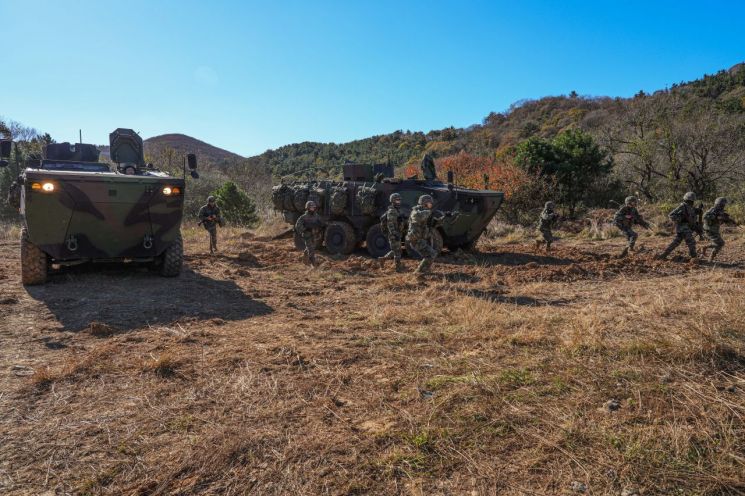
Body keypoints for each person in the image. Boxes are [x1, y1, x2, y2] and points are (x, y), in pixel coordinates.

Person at [407, 194, 456, 274]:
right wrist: (430, 213)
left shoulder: (428, 212)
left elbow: (435, 224)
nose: (431, 204)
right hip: (415, 239)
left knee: (431, 254)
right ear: (424, 202)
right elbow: (417, 217)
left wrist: (444, 216)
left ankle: (423, 270)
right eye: (430, 203)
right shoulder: (416, 211)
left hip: (420, 239)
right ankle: (419, 272)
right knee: (431, 254)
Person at [657, 191, 700, 260]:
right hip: (682, 228)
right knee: (691, 242)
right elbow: (671, 215)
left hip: (685, 228)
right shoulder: (682, 206)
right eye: (690, 201)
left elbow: (692, 218)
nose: (691, 202)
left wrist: (696, 213)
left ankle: (664, 255)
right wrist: (681, 219)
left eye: (692, 201)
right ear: (686, 200)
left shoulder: (691, 208)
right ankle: (694, 257)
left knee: (676, 242)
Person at [379, 193, 406, 272]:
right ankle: (398, 268)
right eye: (397, 200)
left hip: (397, 232)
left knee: (396, 250)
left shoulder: (396, 210)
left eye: (399, 200)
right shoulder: (392, 211)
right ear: (393, 201)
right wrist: (394, 233)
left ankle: (383, 259)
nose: (399, 202)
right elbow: (390, 224)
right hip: (393, 234)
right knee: (397, 252)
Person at [295, 200, 326, 267]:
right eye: (311, 207)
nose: (313, 208)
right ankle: (313, 265)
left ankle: (304, 258)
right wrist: (305, 229)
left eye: (313, 207)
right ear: (308, 208)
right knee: (311, 249)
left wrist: (321, 225)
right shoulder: (303, 217)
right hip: (307, 235)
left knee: (311, 247)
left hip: (315, 235)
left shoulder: (316, 216)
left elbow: (322, 223)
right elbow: (298, 225)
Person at [702, 197, 733, 262]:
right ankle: (710, 257)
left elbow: (722, 218)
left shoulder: (720, 211)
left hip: (714, 230)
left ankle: (706, 249)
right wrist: (716, 217)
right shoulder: (713, 210)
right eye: (723, 204)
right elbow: (704, 216)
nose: (723, 206)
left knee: (719, 243)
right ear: (719, 204)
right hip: (709, 230)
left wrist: (728, 220)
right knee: (720, 243)